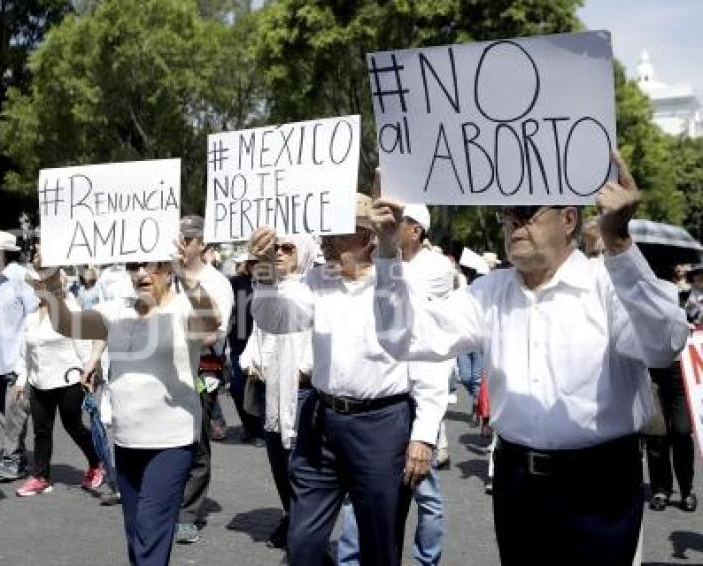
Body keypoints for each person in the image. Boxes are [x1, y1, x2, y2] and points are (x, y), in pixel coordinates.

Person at [369, 153, 689, 565]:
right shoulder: (490, 292)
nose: (513, 223)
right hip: (516, 482)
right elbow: (401, 337)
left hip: (600, 485)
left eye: (526, 212)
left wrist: (620, 243)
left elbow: (664, 343)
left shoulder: (608, 282)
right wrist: (387, 248)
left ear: (569, 219)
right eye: (507, 214)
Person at [249, 193, 442, 565]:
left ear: (366, 236)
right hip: (321, 421)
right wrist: (264, 269)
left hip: (381, 426)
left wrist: (423, 435)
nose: (324, 241)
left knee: (379, 545)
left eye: (335, 233)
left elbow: (429, 363)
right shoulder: (317, 280)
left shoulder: (402, 283)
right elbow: (276, 318)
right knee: (303, 545)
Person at [33, 239, 221, 566]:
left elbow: (211, 321)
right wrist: (50, 280)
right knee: (136, 537)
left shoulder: (182, 308)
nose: (142, 272)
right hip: (126, 438)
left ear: (168, 268)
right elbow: (65, 323)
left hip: (171, 441)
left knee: (150, 532)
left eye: (152, 264)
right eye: (134, 265)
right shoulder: (115, 310)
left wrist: (187, 274)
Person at [239, 233, 318, 549]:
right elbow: (259, 326)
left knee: (299, 467)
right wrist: (250, 361)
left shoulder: (315, 289)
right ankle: (293, 516)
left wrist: (303, 371)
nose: (281, 253)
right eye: (276, 249)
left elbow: (318, 336)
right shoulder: (267, 289)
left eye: (288, 248)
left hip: (300, 393)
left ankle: (303, 528)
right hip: (270, 389)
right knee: (279, 464)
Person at [14, 247, 103, 497]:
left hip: (68, 379)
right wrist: (22, 380)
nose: (37, 285)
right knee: (41, 430)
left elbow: (83, 342)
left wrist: (89, 372)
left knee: (73, 426)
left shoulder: (69, 307)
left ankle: (97, 463)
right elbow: (26, 352)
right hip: (40, 382)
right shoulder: (32, 315)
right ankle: (41, 477)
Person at [175, 215, 233, 545]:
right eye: (178, 239)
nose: (180, 245)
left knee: (195, 438)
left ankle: (188, 513)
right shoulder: (165, 277)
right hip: (168, 367)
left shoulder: (217, 283)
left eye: (186, 239)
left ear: (203, 245)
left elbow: (214, 332)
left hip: (202, 371)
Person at [0, 229, 40, 480]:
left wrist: (25, 360)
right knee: (2, 413)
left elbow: (35, 315)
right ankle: (16, 458)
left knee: (16, 414)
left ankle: (12, 460)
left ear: (0, 253)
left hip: (18, 360)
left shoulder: (22, 277)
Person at [645, 262, 701, 513]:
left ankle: (687, 489)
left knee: (680, 432)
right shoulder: (643, 297)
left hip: (681, 371)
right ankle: (661, 489)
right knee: (656, 434)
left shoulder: (690, 297)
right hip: (651, 371)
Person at [227, 254, 263, 444]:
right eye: (252, 263)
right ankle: (250, 427)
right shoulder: (235, 283)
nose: (255, 266)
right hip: (240, 342)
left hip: (264, 343)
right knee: (238, 387)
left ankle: (262, 430)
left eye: (259, 262)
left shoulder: (272, 283)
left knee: (261, 387)